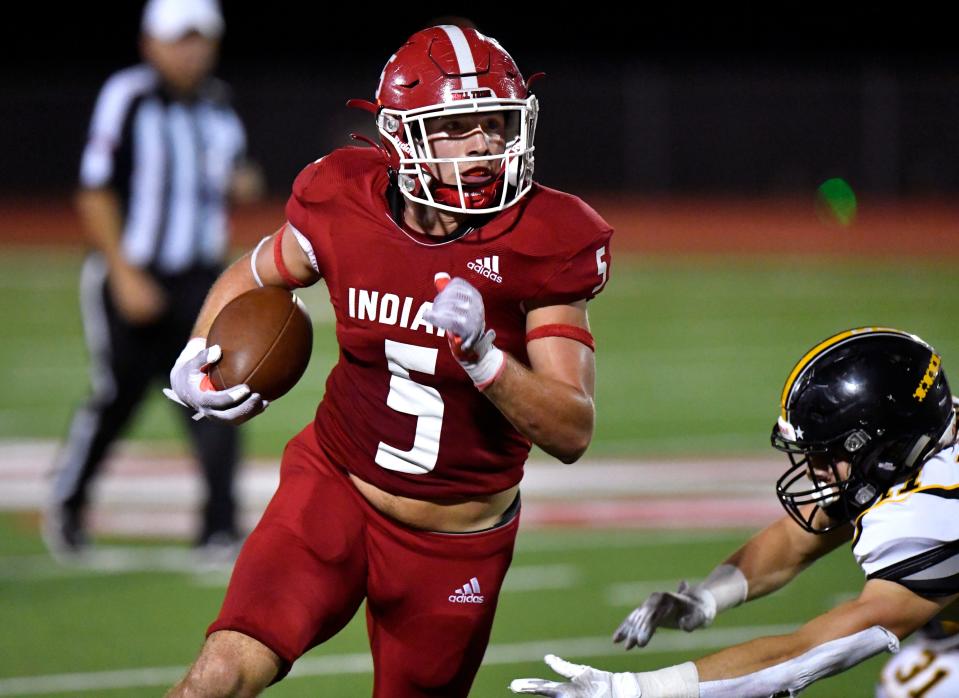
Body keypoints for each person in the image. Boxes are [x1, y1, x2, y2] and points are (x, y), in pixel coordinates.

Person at [162, 25, 613, 698]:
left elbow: (572, 429)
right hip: (333, 488)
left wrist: (485, 356)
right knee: (218, 675)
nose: (486, 143)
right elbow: (258, 273)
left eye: (496, 122)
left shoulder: (546, 237)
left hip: (456, 539)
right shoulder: (343, 200)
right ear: (404, 137)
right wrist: (197, 353)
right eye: (460, 126)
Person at [510, 327, 959, 698]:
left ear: (888, 447)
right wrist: (707, 597)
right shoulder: (921, 440)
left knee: (915, 686)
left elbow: (802, 656)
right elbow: (796, 540)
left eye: (829, 454)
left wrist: (633, 690)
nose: (816, 471)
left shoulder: (936, 514)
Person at [46, 0, 261, 558]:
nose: (191, 51)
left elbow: (237, 174)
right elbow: (93, 190)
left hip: (199, 281)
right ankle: (67, 508)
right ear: (151, 43)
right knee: (117, 397)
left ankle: (218, 528)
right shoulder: (130, 96)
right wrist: (122, 273)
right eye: (179, 39)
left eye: (200, 39)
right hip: (135, 273)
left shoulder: (218, 105)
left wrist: (241, 182)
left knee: (218, 396)